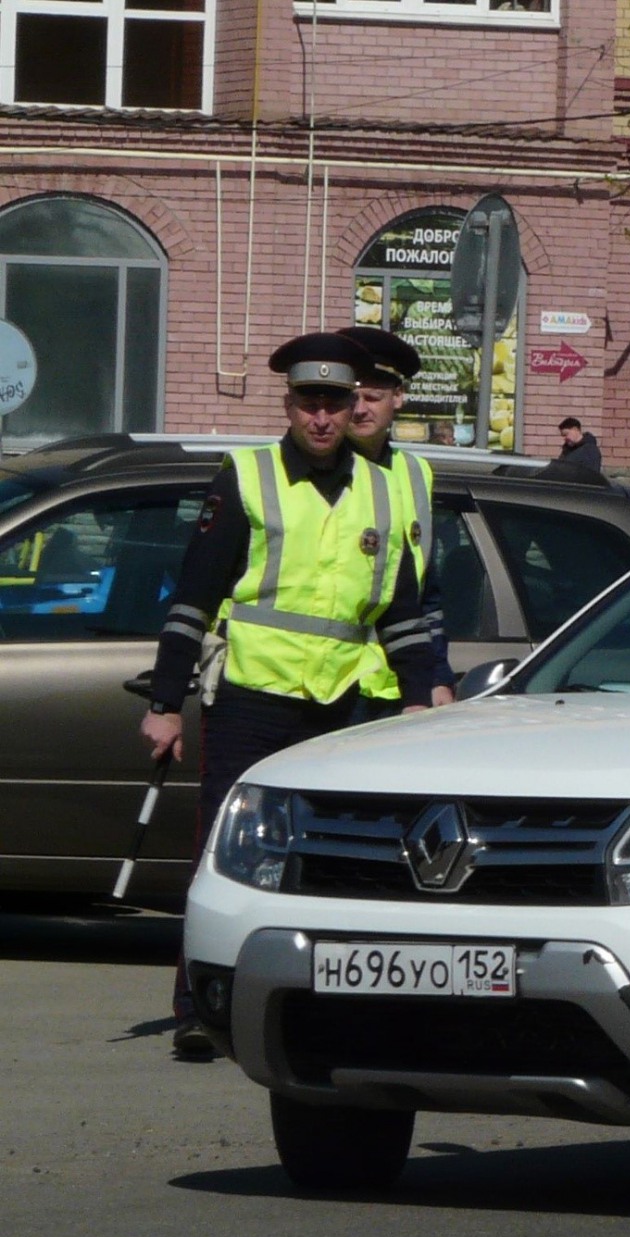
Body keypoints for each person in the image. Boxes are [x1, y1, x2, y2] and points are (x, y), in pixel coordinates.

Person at [140, 333, 435, 1058]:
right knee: (226, 850)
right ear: (290, 404)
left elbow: (401, 608)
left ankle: (318, 1000)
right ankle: (198, 1005)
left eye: (337, 403)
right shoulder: (248, 475)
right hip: (253, 695)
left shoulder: (381, 488)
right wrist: (165, 701)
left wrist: (423, 696)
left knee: (337, 857)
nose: (325, 417)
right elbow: (193, 598)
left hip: (342, 704)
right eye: (311, 403)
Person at [338, 324, 455, 714]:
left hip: (396, 685)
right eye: (351, 397)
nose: (360, 409)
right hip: (330, 685)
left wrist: (436, 674)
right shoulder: (316, 471)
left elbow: (426, 588)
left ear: (399, 398)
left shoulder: (416, 473)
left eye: (373, 397)